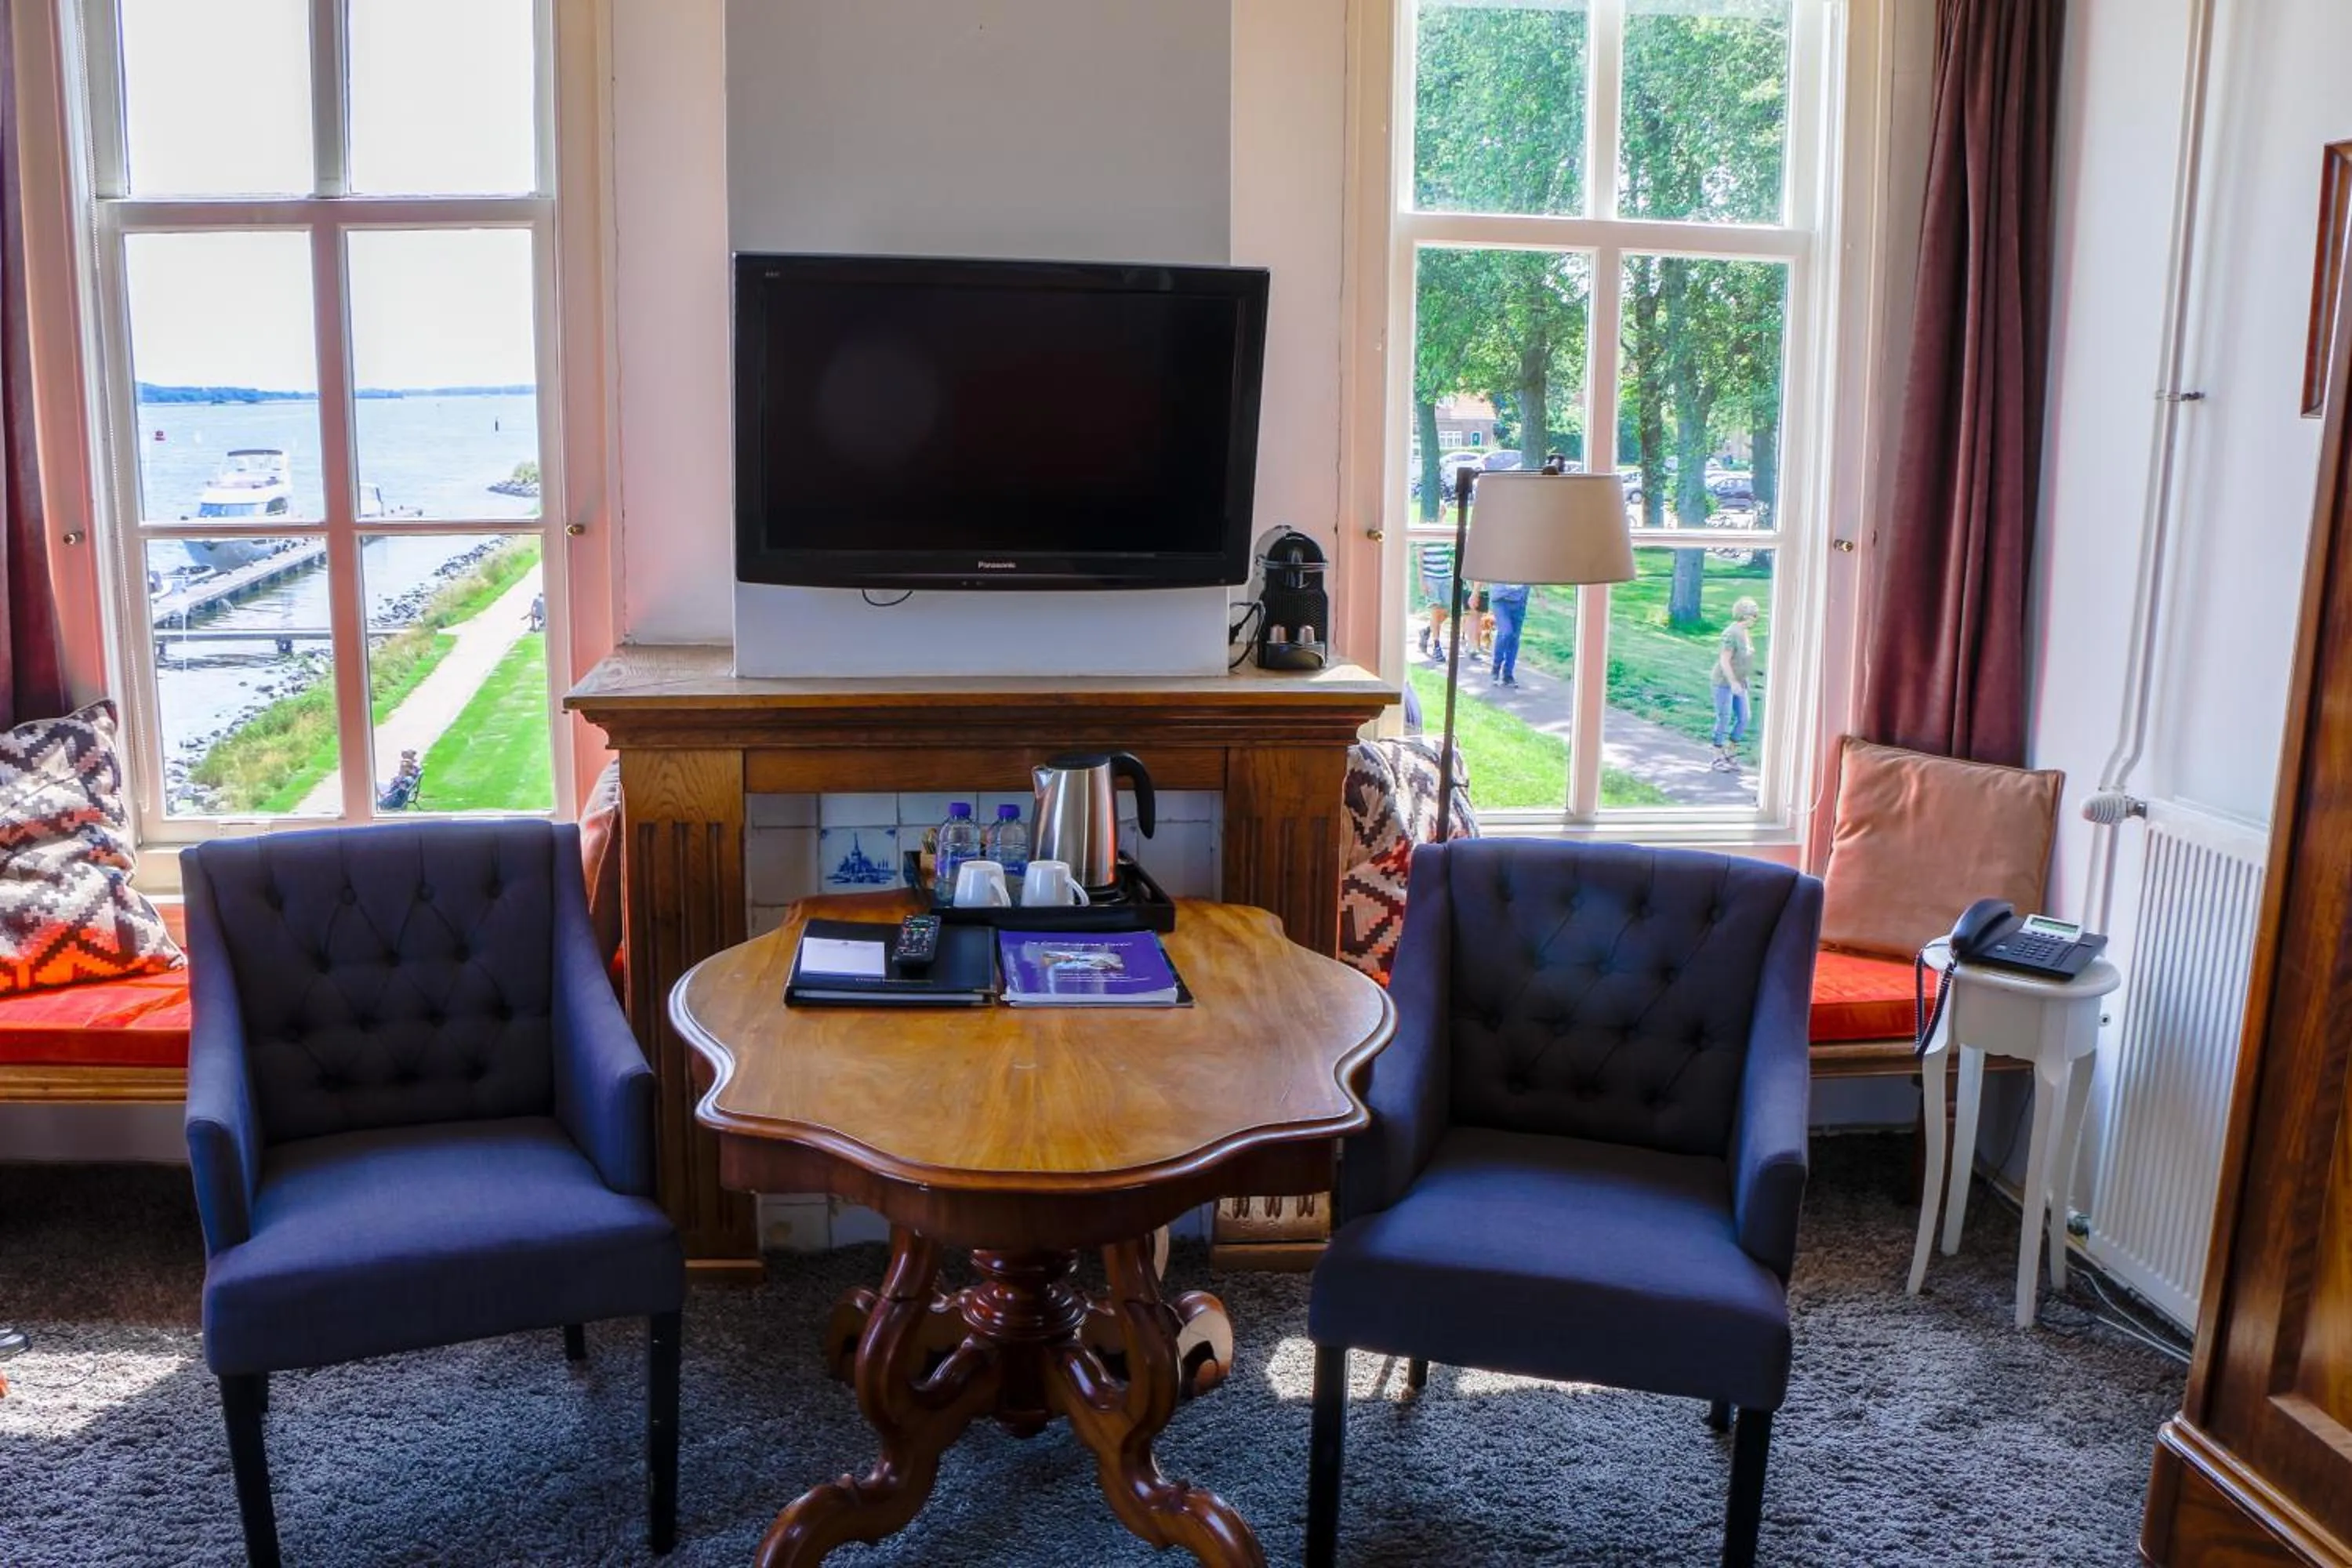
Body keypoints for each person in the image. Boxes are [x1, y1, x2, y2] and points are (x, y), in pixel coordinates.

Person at [1711, 597, 1761, 771]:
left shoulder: (1746, 633)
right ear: (1746, 615)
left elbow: (1743, 659)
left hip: (1740, 682)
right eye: (1754, 615)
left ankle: (1730, 751)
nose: (1756, 619)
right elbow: (1724, 660)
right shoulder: (1731, 633)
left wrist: (1750, 674)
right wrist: (1732, 682)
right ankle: (1717, 756)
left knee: (1744, 717)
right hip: (1724, 682)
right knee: (1724, 717)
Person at [1416, 539, 1457, 659]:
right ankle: (1437, 646)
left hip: (1446, 578)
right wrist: (1422, 581)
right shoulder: (1426, 534)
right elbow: (1420, 561)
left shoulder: (1445, 533)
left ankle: (1427, 630)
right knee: (1436, 611)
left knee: (1446, 612)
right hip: (1430, 578)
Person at [1486, 579, 1530, 688]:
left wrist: (1540, 595)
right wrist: (1475, 593)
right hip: (1501, 599)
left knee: (1514, 638)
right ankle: (1496, 668)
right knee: (1506, 633)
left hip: (1519, 600)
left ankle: (1508, 675)